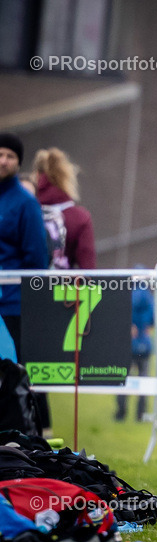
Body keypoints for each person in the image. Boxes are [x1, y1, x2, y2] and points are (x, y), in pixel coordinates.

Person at [0, 133, 49, 434]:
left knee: (17, 373)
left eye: (9, 156)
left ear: (18, 163)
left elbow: (36, 259)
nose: (2, 161)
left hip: (13, 305)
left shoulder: (25, 204)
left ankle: (28, 434)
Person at [115, 278, 157, 422]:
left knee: (123, 380)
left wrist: (126, 325)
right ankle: (140, 415)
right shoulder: (150, 300)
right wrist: (152, 323)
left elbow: (114, 313)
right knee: (144, 381)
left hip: (126, 345)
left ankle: (120, 414)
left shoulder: (126, 299)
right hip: (145, 346)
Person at [31, 148, 96, 270]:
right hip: (62, 287)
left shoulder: (25, 211)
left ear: (37, 175)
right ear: (66, 177)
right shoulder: (79, 217)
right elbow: (88, 269)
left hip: (23, 286)